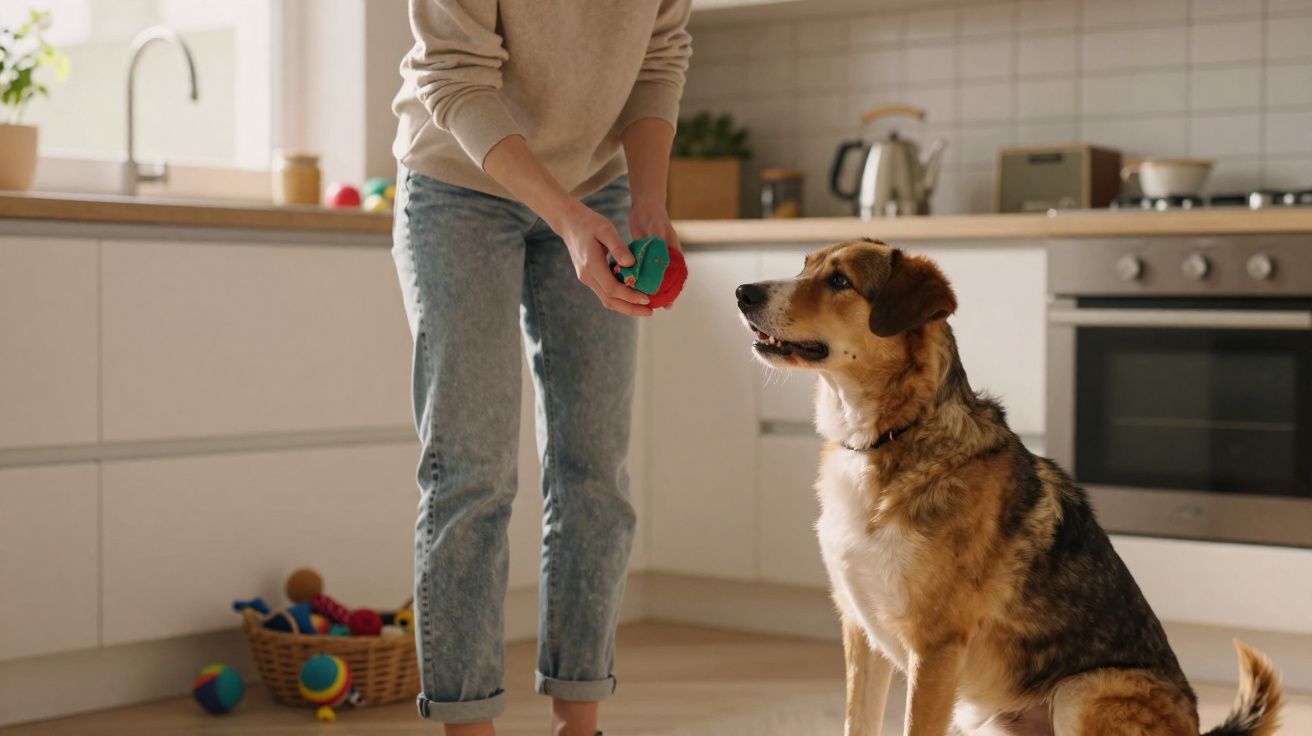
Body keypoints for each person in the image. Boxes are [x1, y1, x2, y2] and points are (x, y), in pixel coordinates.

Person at [389, 2, 692, 735]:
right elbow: (453, 76)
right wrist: (562, 216)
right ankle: (469, 726)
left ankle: (578, 723)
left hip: (600, 185)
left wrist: (649, 201)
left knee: (595, 470)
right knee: (472, 471)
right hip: (458, 185)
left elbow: (658, 57)